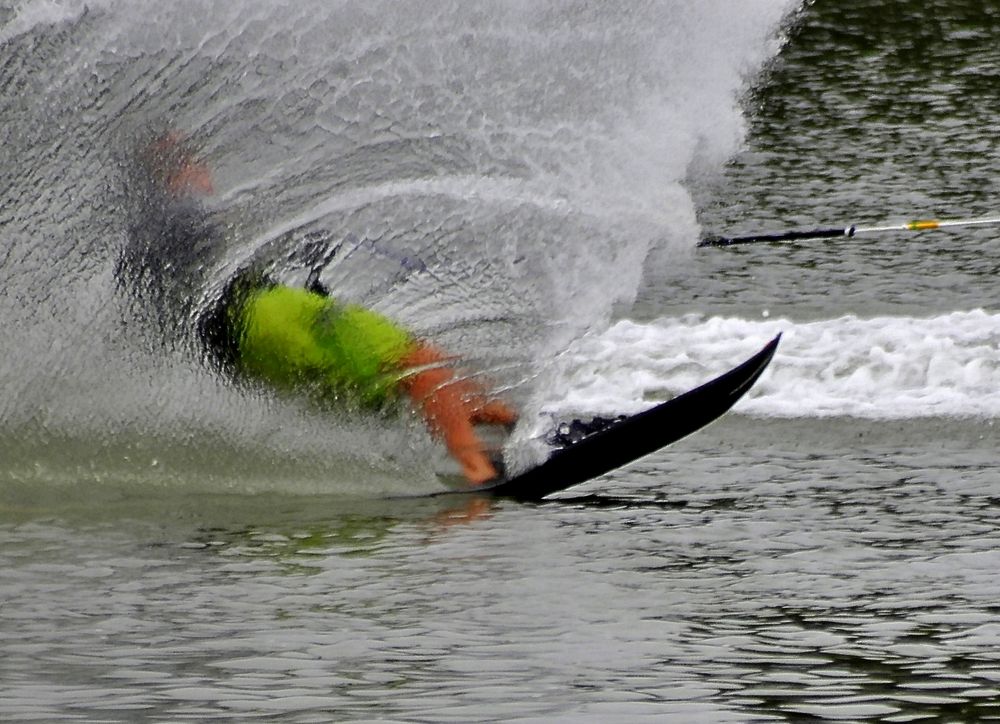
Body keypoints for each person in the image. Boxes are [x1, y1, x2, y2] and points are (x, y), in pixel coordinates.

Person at [118, 131, 517, 485]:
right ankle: (477, 468)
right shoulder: (180, 213)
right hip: (266, 315)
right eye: (188, 158)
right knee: (419, 365)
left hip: (245, 357)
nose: (202, 167)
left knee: (422, 386)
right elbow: (207, 236)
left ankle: (509, 428)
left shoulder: (145, 241)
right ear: (169, 173)